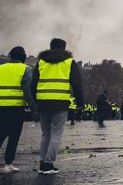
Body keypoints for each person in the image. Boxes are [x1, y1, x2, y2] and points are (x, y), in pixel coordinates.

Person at [31, 38, 84, 174]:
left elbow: (33, 83)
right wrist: (80, 102)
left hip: (43, 102)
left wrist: (34, 102)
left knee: (45, 134)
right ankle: (49, 164)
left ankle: (43, 162)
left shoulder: (41, 62)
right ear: (64, 48)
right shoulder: (69, 62)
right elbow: (77, 84)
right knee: (56, 134)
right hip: (60, 102)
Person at [0, 46, 38, 173]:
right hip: (16, 107)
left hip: (1, 106)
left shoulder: (1, 68)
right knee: (14, 136)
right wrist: (34, 108)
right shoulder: (26, 69)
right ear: (23, 58)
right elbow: (27, 91)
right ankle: (8, 164)